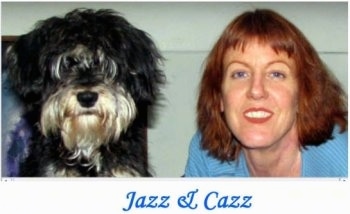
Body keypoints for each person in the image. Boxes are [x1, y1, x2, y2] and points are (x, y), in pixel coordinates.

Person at [184, 9, 348, 177]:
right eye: (240, 74)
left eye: (276, 74)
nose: (256, 90)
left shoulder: (342, 162)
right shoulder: (206, 155)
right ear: (219, 96)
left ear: (303, 94)